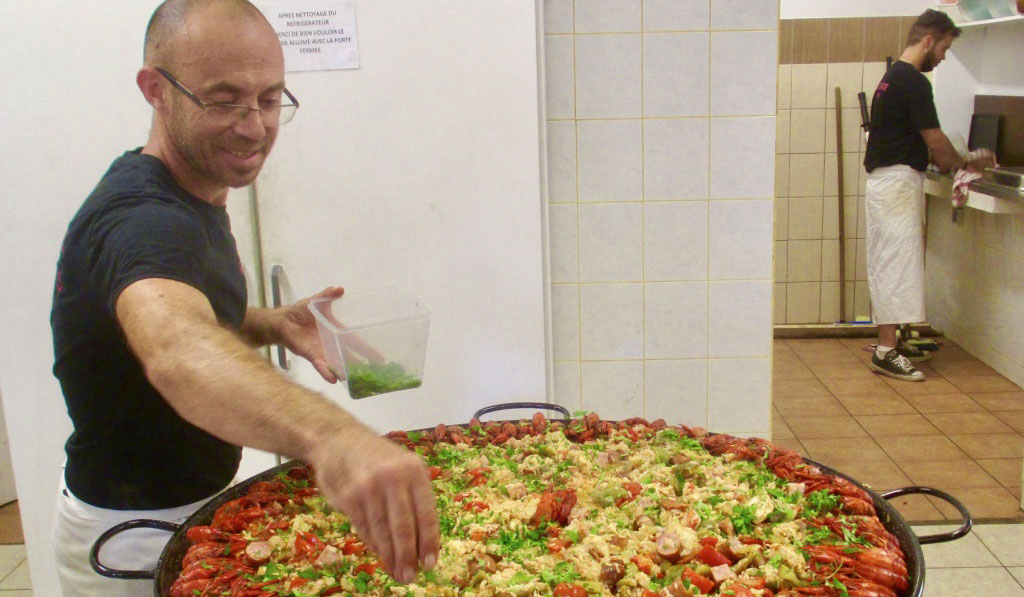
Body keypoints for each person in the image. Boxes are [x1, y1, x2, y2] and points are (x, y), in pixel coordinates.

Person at [49, 1, 439, 594]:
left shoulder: (191, 189)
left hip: (196, 505)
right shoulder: (143, 220)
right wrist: (335, 437)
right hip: (134, 534)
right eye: (224, 98)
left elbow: (186, 316)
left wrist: (271, 323)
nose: (254, 125)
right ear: (155, 89)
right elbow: (176, 346)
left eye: (269, 97)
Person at [862, 9, 994, 382]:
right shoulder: (915, 82)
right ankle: (887, 350)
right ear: (927, 41)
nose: (944, 56)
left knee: (889, 262)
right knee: (896, 265)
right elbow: (935, 142)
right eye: (945, 48)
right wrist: (965, 162)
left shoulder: (893, 77)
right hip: (896, 185)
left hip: (888, 183)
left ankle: (888, 343)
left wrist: (953, 160)